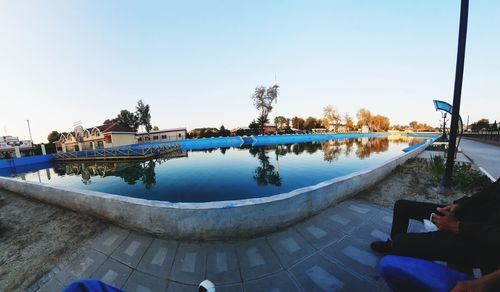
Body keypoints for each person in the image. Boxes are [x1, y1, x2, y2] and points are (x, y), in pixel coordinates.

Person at [371, 178, 500, 273]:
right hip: (465, 218)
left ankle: (400, 248)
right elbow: (486, 194)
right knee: (401, 206)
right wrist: (459, 205)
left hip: (479, 242)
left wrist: (456, 226)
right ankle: (394, 246)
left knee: (401, 242)